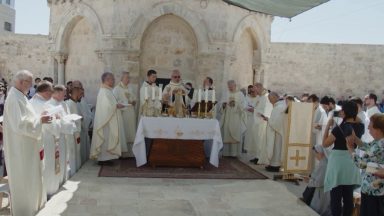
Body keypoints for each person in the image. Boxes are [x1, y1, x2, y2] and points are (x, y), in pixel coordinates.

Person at [3, 70, 51, 216]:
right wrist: (39, 120)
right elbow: (20, 125)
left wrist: (38, 117)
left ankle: (35, 208)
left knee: (32, 179)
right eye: (30, 83)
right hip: (21, 150)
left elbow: (27, 118)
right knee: (25, 181)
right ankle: (25, 212)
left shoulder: (21, 97)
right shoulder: (13, 99)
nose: (31, 86)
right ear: (21, 82)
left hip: (28, 147)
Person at [323, 100, 364, 216]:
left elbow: (325, 143)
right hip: (351, 159)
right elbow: (357, 120)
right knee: (348, 195)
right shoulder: (360, 127)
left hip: (337, 161)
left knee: (335, 196)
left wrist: (328, 125)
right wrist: (348, 115)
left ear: (344, 112)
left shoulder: (338, 129)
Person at [346, 113, 384, 216]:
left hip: (374, 190)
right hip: (369, 188)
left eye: (370, 126)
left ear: (378, 129)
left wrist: (351, 150)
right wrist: (355, 139)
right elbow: (367, 146)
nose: (368, 127)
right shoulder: (378, 142)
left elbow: (362, 165)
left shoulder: (380, 145)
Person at [90, 72, 126, 165]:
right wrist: (116, 105)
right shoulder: (104, 91)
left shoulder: (107, 90)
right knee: (105, 138)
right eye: (112, 79)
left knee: (107, 138)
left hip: (108, 120)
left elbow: (110, 105)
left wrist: (116, 105)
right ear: (107, 80)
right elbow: (106, 107)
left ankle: (107, 158)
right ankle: (103, 159)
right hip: (105, 122)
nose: (114, 81)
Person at [47, 85, 76, 185]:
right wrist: (64, 121)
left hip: (64, 136)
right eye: (64, 94)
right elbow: (55, 122)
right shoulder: (50, 104)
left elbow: (64, 117)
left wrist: (69, 120)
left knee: (64, 159)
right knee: (58, 160)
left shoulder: (62, 103)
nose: (65, 96)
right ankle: (57, 183)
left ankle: (63, 179)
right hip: (56, 138)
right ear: (58, 93)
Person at [219, 80, 246, 157]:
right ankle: (226, 153)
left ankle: (235, 154)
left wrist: (236, 104)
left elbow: (243, 105)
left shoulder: (240, 94)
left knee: (235, 134)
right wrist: (224, 105)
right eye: (229, 86)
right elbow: (221, 104)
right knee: (227, 133)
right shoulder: (226, 93)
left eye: (231, 86)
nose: (230, 88)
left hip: (236, 117)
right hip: (227, 117)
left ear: (235, 85)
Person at [247, 83, 272, 164]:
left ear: (259, 88)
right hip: (256, 121)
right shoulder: (259, 97)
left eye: (254, 89)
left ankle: (261, 158)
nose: (253, 91)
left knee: (261, 140)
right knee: (256, 140)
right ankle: (257, 156)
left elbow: (267, 110)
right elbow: (257, 107)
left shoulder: (266, 97)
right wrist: (253, 109)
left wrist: (255, 111)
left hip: (262, 122)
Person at [303, 145, 332, 216]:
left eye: (316, 154)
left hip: (321, 192)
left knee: (317, 210)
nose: (315, 156)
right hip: (321, 191)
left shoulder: (324, 165)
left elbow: (319, 183)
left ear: (320, 153)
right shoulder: (323, 162)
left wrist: (309, 181)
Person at [113, 71, 137, 157]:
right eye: (127, 78)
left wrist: (134, 101)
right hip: (122, 114)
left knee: (131, 133)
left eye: (129, 77)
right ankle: (122, 153)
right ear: (122, 78)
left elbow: (134, 98)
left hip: (130, 113)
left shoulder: (130, 88)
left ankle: (130, 153)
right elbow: (114, 102)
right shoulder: (116, 89)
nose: (129, 79)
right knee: (124, 133)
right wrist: (127, 102)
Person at [264, 92, 287, 172]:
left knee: (277, 148)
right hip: (279, 130)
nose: (270, 101)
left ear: (274, 97)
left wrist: (268, 120)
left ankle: (275, 165)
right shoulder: (281, 106)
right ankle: (273, 164)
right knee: (277, 148)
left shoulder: (279, 107)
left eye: (270, 99)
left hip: (278, 131)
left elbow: (276, 122)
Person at [66, 83, 82, 173]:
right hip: (73, 134)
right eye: (80, 94)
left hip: (77, 132)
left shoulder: (74, 103)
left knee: (77, 153)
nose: (81, 96)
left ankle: (77, 170)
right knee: (73, 153)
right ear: (75, 93)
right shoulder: (69, 104)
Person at [243, 85, 257, 154]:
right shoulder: (246, 98)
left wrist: (255, 109)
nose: (252, 93)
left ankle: (254, 149)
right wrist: (249, 108)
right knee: (248, 134)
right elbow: (244, 106)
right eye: (251, 92)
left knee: (255, 135)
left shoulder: (259, 98)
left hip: (256, 119)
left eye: (254, 91)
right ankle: (247, 149)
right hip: (248, 118)